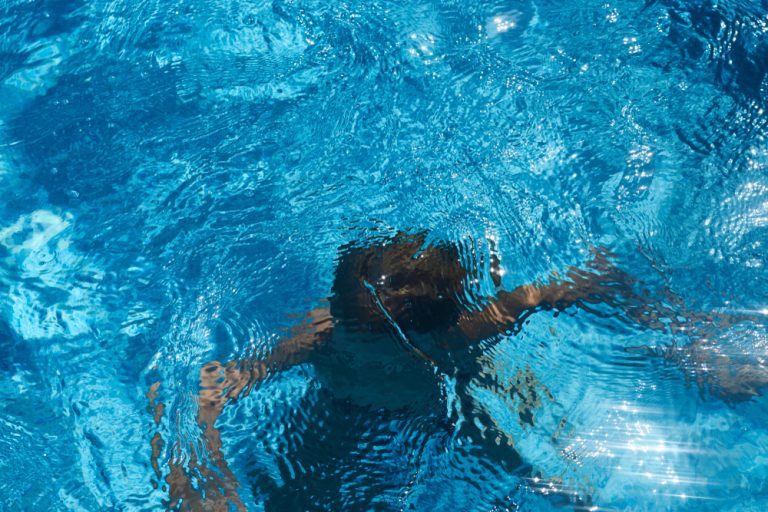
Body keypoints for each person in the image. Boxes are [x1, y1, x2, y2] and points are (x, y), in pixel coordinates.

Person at [148, 231, 763, 511]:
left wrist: (690, 345)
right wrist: (202, 478)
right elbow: (203, 390)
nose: (336, 324)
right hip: (342, 413)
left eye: (352, 323)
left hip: (442, 407)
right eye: (339, 313)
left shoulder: (462, 334)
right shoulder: (322, 334)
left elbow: (588, 279)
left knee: (530, 467)